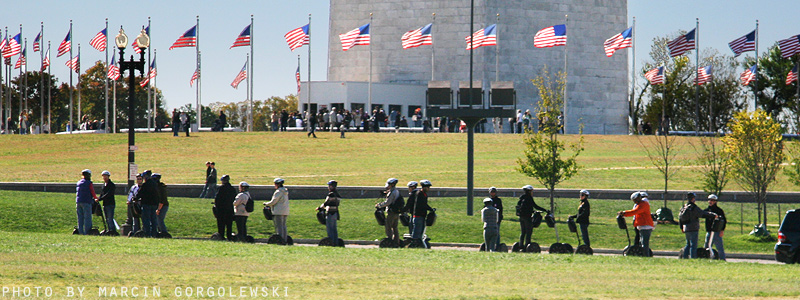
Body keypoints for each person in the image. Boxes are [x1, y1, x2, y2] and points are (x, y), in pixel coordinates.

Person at [678, 192, 718, 259]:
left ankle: (685, 257)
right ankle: (693, 258)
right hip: (693, 228)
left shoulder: (684, 207)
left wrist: (681, 227)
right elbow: (702, 214)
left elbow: (680, 218)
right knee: (693, 245)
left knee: (688, 244)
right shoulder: (693, 207)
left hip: (686, 228)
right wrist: (713, 215)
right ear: (693, 198)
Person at [618, 192, 654, 256]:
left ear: (639, 198)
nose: (634, 201)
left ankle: (646, 256)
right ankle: (644, 255)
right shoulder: (639, 204)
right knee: (642, 243)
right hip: (642, 226)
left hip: (646, 226)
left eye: (635, 200)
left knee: (644, 244)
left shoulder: (643, 204)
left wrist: (624, 213)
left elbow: (635, 212)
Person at [376, 178, 402, 246]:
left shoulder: (392, 192)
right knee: (395, 227)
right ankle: (396, 241)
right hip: (396, 213)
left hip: (391, 213)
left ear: (392, 184)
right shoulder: (396, 191)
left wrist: (379, 205)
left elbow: (388, 202)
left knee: (388, 227)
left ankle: (389, 241)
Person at [136, 170, 161, 237]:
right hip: (154, 204)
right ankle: (154, 233)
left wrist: (135, 198)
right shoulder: (155, 184)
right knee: (153, 220)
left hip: (146, 204)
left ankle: (147, 233)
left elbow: (139, 194)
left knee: (146, 219)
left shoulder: (145, 185)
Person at [264, 178, 290, 242]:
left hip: (278, 211)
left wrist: (266, 204)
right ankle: (284, 239)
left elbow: (274, 201)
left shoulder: (278, 192)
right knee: (283, 226)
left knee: (279, 226)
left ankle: (280, 239)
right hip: (285, 211)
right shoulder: (285, 192)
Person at [412, 180, 434, 247]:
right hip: (418, 216)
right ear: (424, 187)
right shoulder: (420, 194)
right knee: (417, 233)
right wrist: (430, 209)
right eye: (428, 187)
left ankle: (418, 245)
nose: (428, 189)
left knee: (420, 233)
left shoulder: (424, 194)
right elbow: (423, 205)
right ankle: (414, 245)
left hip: (421, 216)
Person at [75, 169, 98, 235]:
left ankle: (81, 232)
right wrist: (96, 198)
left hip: (78, 201)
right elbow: (92, 192)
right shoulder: (89, 183)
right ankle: (87, 232)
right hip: (86, 202)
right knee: (87, 218)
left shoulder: (79, 183)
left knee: (80, 218)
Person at [318, 180, 341, 246]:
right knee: (334, 229)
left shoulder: (331, 194)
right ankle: (335, 242)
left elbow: (326, 203)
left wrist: (320, 208)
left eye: (329, 186)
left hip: (330, 213)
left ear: (331, 186)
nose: (328, 187)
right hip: (335, 213)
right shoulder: (337, 194)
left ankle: (331, 242)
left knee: (330, 229)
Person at [704, 194, 727, 260]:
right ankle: (705, 259)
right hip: (709, 231)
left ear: (715, 201)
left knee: (719, 247)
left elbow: (724, 221)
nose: (710, 201)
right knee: (706, 247)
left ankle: (722, 259)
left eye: (712, 200)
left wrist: (722, 230)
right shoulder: (707, 210)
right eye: (709, 200)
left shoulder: (719, 211)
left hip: (717, 232)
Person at [214, 174, 236, 241]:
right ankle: (229, 237)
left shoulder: (221, 188)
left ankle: (221, 236)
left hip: (221, 210)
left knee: (221, 224)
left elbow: (217, 199)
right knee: (229, 225)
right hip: (230, 209)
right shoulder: (232, 189)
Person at [97, 170, 117, 235]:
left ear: (108, 177)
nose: (104, 178)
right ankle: (108, 229)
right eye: (103, 176)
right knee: (106, 218)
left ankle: (112, 231)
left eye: (105, 176)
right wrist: (98, 198)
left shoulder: (111, 185)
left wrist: (100, 199)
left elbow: (109, 194)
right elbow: (102, 194)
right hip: (105, 204)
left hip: (110, 204)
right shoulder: (103, 185)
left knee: (110, 218)